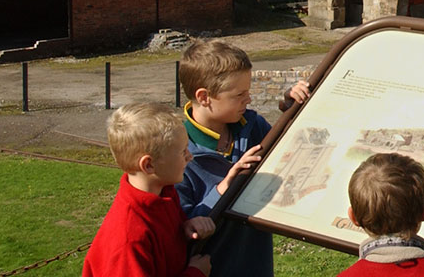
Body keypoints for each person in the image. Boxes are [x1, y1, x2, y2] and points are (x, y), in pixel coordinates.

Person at [174, 39, 311, 276]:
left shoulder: (253, 126)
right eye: (239, 94)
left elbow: (289, 152)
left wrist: (291, 109)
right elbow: (179, 228)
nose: (248, 99)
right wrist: (223, 188)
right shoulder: (177, 153)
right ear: (204, 97)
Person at [83, 103, 216, 277]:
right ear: (149, 165)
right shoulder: (129, 239)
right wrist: (195, 273)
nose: (189, 157)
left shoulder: (164, 193)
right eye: (182, 151)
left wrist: (185, 227)